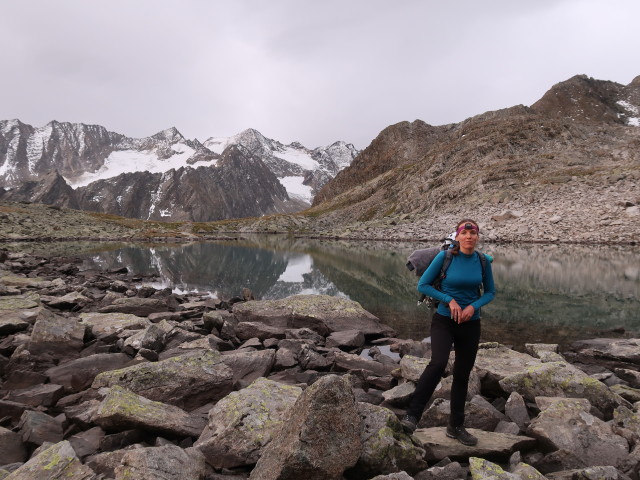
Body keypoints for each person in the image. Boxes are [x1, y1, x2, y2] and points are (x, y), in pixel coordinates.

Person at [401, 219, 496, 446]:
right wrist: (449, 300)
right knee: (437, 363)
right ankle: (411, 416)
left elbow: (491, 292)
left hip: (471, 324)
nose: (469, 237)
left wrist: (473, 306)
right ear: (458, 236)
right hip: (444, 320)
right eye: (465, 233)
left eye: (473, 233)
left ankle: (455, 426)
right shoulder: (445, 258)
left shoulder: (483, 261)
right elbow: (423, 285)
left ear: (478, 237)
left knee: (462, 375)